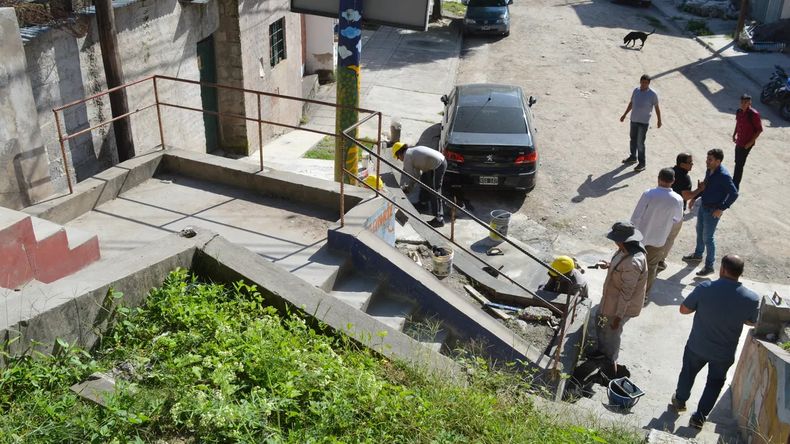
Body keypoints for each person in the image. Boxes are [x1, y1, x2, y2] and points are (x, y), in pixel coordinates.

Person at [670, 254, 759, 429]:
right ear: (740, 273)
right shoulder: (751, 298)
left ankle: (680, 401)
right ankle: (699, 418)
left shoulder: (705, 288)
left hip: (697, 345)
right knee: (715, 383)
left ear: (723, 269)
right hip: (724, 353)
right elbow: (751, 321)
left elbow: (683, 310)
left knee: (688, 373)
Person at [594, 221, 648, 375]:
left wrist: (618, 317)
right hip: (610, 300)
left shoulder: (633, 263)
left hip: (620, 306)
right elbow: (620, 268)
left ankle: (611, 365)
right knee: (599, 321)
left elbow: (627, 293)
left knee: (612, 334)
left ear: (621, 241)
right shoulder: (626, 250)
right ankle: (601, 351)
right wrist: (610, 265)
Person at [682, 149, 738, 276]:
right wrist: (695, 198)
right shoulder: (710, 170)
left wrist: (722, 208)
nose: (707, 162)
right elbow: (705, 186)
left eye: (710, 160)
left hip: (713, 211)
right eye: (707, 159)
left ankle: (709, 266)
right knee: (700, 231)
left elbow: (734, 193)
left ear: (718, 161)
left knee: (708, 238)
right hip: (704, 206)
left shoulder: (724, 176)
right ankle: (697, 255)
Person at [630, 168, 683, 300]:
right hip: (659, 240)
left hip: (640, 237)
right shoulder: (677, 199)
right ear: (673, 181)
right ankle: (643, 296)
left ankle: (629, 292)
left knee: (635, 264)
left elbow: (636, 216)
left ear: (658, 178)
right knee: (651, 267)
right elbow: (677, 218)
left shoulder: (648, 194)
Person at [658, 153, 702, 271]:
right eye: (690, 162)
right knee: (669, 238)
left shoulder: (669, 172)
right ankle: (660, 261)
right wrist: (700, 189)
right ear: (682, 164)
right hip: (675, 213)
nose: (692, 164)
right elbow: (686, 196)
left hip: (661, 209)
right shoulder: (685, 177)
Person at [393, 142, 447, 228]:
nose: (399, 159)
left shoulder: (407, 157)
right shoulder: (411, 151)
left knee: (434, 191)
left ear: (399, 153)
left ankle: (439, 219)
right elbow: (417, 175)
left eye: (398, 157)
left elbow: (412, 177)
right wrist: (409, 186)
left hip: (438, 165)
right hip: (435, 163)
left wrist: (408, 188)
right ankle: (423, 203)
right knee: (424, 181)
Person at [620, 74, 662, 172]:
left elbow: (657, 108)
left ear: (648, 83)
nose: (643, 84)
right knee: (632, 139)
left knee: (640, 143)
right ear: (640, 82)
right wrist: (624, 114)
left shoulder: (652, 94)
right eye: (642, 82)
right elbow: (631, 103)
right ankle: (633, 157)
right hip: (633, 120)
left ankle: (642, 163)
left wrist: (659, 120)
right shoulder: (636, 91)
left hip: (643, 122)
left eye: (646, 83)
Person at [731, 94, 763, 189]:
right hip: (739, 141)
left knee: (740, 164)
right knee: (737, 162)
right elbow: (738, 123)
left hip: (746, 144)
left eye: (746, 102)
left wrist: (749, 143)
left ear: (750, 103)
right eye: (742, 102)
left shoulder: (753, 114)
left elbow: (759, 130)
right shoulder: (739, 111)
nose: (743, 104)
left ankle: (735, 185)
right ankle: (734, 182)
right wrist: (734, 134)